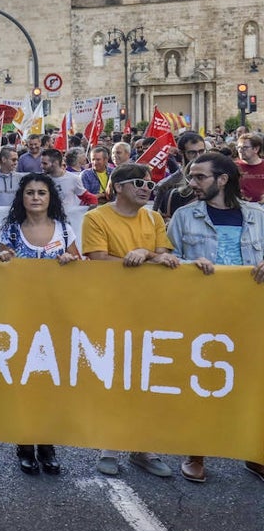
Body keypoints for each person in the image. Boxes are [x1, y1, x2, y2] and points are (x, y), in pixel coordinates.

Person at [165, 152, 264, 483]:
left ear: (223, 180)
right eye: (191, 177)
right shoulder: (184, 216)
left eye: (200, 177)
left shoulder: (257, 215)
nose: (192, 183)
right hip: (202, 313)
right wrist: (185, 266)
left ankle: (254, 452)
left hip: (249, 313)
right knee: (203, 381)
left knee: (252, 384)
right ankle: (197, 452)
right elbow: (169, 259)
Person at [82, 163, 179, 478]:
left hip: (151, 309)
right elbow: (97, 261)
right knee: (114, 377)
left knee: (146, 377)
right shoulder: (95, 218)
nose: (146, 188)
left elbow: (163, 255)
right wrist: (138, 257)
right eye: (139, 182)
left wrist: (146, 254)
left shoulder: (153, 218)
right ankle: (109, 446)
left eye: (150, 184)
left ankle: (143, 448)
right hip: (109, 308)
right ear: (118, 186)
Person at [0, 173, 82, 477]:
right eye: (30, 192)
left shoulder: (66, 231)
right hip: (19, 316)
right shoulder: (9, 232)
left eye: (41, 193)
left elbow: (83, 271)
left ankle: (47, 445)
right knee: (24, 383)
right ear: (22, 198)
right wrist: (2, 261)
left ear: (50, 198)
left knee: (50, 383)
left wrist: (74, 264)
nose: (35, 197)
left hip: (56, 315)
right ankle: (25, 444)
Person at [235, 132, 264, 203]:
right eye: (238, 147)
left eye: (245, 147)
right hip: (240, 206)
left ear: (256, 149)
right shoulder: (234, 166)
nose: (240, 151)